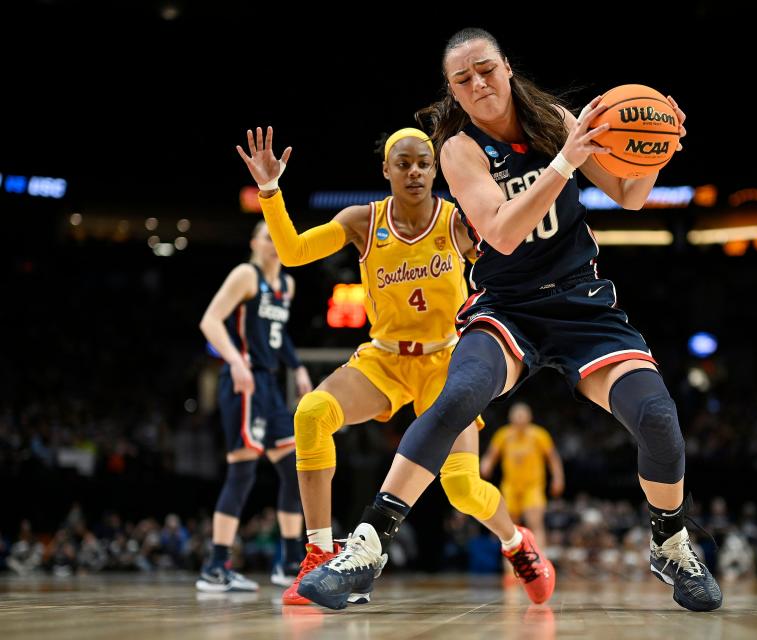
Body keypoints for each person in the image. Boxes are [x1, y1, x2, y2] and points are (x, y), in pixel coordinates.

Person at [302, 27, 723, 612]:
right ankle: (368, 547)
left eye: (486, 70)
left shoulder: (554, 116)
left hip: (582, 304)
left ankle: (671, 542)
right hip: (510, 306)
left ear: (506, 68)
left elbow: (628, 194)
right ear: (452, 90)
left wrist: (661, 145)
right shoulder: (457, 148)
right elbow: (499, 233)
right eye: (462, 78)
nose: (478, 84)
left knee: (656, 414)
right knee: (457, 397)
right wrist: (565, 161)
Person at [236, 125, 555, 606]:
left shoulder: (456, 222)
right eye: (403, 164)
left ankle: (516, 542)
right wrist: (269, 190)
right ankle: (321, 554)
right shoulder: (363, 221)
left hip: (448, 362)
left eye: (424, 164)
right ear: (386, 169)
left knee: (464, 488)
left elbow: (511, 257)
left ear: (435, 169)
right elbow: (292, 252)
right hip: (385, 358)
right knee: (310, 414)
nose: (415, 172)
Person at [196, 222, 312, 592]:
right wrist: (235, 361)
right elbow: (210, 321)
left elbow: (279, 335)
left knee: (294, 471)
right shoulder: (246, 275)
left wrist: (298, 367)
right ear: (254, 243)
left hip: (271, 387)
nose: (274, 242)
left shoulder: (287, 285)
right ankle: (215, 566)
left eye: (278, 236)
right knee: (242, 472)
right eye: (267, 236)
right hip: (244, 382)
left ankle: (289, 561)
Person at [480, 402, 564, 546]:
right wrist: (486, 464)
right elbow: (491, 454)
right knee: (509, 528)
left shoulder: (539, 435)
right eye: (516, 416)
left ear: (529, 417)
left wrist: (558, 477)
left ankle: (538, 563)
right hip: (510, 487)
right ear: (510, 418)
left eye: (522, 416)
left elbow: (553, 458)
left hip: (533, 487)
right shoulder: (503, 435)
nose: (519, 419)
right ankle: (511, 566)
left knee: (535, 523)